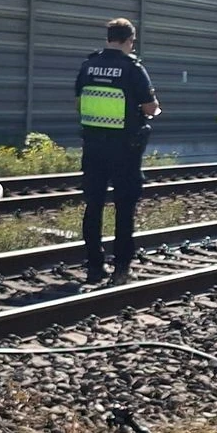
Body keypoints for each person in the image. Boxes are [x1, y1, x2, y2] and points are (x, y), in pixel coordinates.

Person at [75, 17, 160, 285]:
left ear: (109, 37)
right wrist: (154, 107)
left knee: (93, 204)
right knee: (124, 208)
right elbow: (149, 107)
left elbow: (79, 101)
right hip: (125, 149)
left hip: (93, 146)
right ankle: (121, 268)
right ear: (128, 40)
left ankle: (94, 267)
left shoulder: (88, 66)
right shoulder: (133, 68)